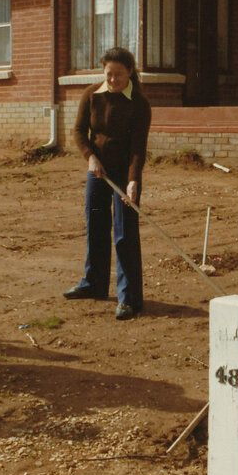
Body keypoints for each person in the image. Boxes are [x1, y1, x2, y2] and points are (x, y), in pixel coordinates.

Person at [64, 47, 151, 320]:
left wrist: (133, 180)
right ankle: (94, 284)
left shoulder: (139, 103)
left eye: (119, 75)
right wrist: (90, 157)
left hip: (125, 173)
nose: (113, 80)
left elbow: (138, 148)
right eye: (109, 74)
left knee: (124, 233)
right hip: (98, 171)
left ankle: (129, 298)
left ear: (130, 72)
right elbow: (79, 131)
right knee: (96, 225)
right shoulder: (91, 95)